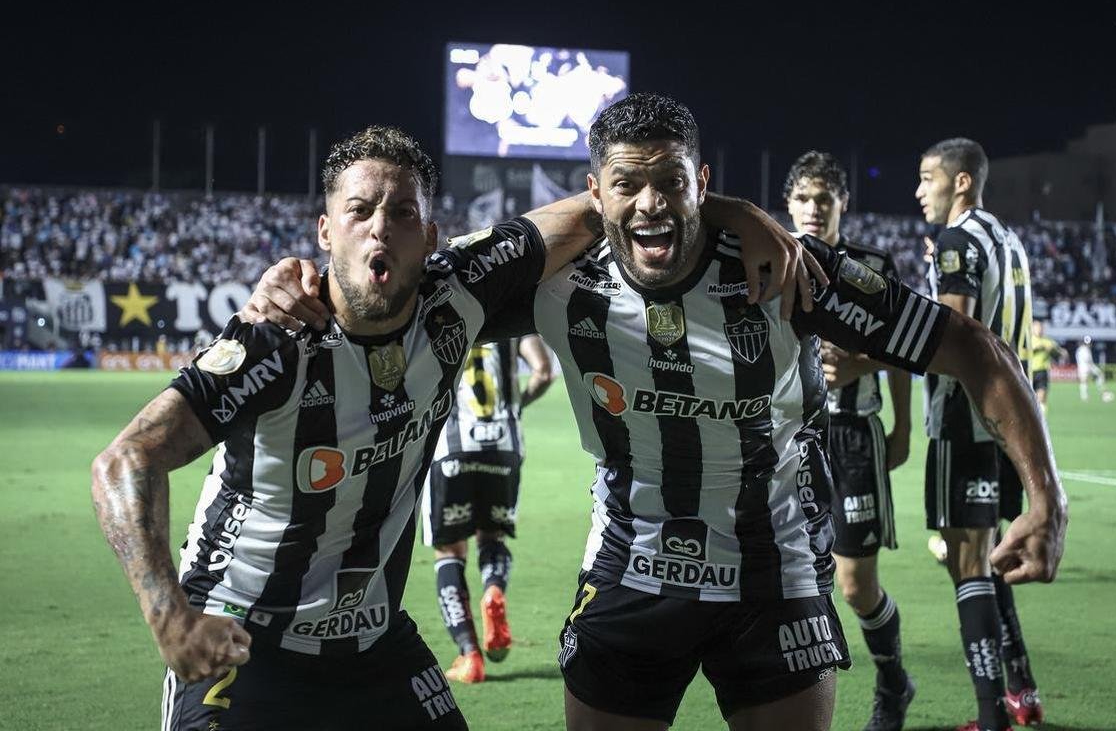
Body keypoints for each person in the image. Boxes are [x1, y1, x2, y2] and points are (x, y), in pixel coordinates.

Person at [251, 94, 1066, 731]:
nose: (650, 206)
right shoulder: (553, 284)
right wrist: (293, 285)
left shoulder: (785, 269)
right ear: (594, 192)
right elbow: (390, 287)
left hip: (771, 571)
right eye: (628, 185)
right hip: (630, 566)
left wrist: (1045, 494)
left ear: (700, 185)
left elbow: (966, 344)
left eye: (670, 181)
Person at [89, 125, 613, 731]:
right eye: (359, 211)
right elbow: (125, 460)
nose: (380, 228)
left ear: (430, 238)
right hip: (244, 640)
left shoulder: (456, 296)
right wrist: (172, 623)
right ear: (325, 230)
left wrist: (734, 213)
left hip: (376, 645)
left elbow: (605, 201)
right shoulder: (274, 342)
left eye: (402, 214)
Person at [915, 137, 1047, 731]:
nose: (920, 190)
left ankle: (990, 714)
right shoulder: (1008, 240)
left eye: (927, 178)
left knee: (969, 565)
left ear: (961, 181)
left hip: (962, 419)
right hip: (1008, 425)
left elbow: (954, 331)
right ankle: (1022, 691)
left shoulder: (957, 241)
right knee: (992, 560)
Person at [784, 150, 916, 731]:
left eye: (825, 200)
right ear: (789, 204)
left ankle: (892, 680)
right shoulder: (767, 259)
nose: (813, 209)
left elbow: (907, 350)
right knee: (785, 578)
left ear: (842, 206)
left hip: (855, 437)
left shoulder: (873, 266)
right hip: (786, 439)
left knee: (855, 582)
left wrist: (901, 423)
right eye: (804, 199)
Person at [423, 334, 556, 683]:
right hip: (504, 444)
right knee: (492, 535)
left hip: (452, 446)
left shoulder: (445, 316)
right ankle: (494, 588)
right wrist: (516, 407)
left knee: (449, 550)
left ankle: (469, 656)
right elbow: (543, 372)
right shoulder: (513, 321)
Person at [1028, 320, 1065, 414]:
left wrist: (1059, 352)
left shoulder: (1047, 341)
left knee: (1041, 397)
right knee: (1028, 399)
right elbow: (1025, 352)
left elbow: (1061, 353)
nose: (1039, 330)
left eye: (1041, 328)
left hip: (1042, 372)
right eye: (1037, 327)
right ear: (1032, 329)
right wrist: (1038, 348)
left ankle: (1041, 418)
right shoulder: (1028, 340)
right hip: (1028, 372)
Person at [1074, 336, 1111, 402]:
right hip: (1086, 366)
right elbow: (1087, 360)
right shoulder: (1084, 349)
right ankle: (1086, 396)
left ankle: (1100, 391)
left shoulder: (1081, 349)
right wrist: (1091, 367)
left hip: (1084, 367)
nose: (1090, 344)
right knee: (1085, 381)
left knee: (1087, 380)